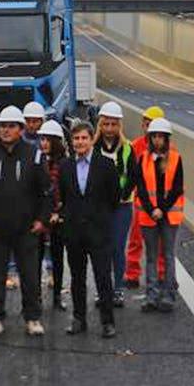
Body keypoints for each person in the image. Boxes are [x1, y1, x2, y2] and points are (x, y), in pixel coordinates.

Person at [0, 105, 51, 337]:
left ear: (21, 128)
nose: (5, 130)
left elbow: (46, 191)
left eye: (11, 126)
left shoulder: (34, 155)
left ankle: (33, 318)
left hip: (26, 229)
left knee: (29, 276)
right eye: (2, 126)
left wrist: (41, 220)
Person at [59, 122, 119, 337]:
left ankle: (107, 321)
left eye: (84, 138)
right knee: (77, 278)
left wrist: (100, 219)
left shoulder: (106, 165)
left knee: (103, 277)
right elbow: (65, 199)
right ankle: (78, 319)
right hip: (74, 233)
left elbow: (114, 198)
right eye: (76, 139)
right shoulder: (65, 166)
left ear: (91, 139)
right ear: (71, 142)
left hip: (99, 231)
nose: (80, 142)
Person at [136, 118, 184, 313]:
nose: (157, 140)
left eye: (160, 137)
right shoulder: (143, 159)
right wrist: (151, 209)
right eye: (154, 136)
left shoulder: (175, 158)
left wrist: (161, 209)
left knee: (169, 255)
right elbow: (141, 188)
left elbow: (176, 188)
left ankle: (168, 296)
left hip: (168, 216)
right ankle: (152, 296)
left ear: (166, 138)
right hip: (150, 216)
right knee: (151, 257)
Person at [95, 101, 138, 308]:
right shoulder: (93, 148)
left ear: (119, 126)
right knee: (100, 248)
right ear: (100, 125)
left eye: (113, 125)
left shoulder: (128, 148)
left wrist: (123, 194)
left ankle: (118, 289)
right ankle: (103, 289)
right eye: (106, 124)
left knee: (117, 248)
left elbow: (133, 176)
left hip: (121, 206)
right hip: (100, 206)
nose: (110, 129)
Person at [125, 106, 166, 289]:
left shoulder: (168, 151)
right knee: (135, 239)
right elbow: (131, 175)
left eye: (151, 125)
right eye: (146, 124)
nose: (148, 128)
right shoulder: (135, 146)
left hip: (160, 204)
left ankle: (162, 274)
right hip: (140, 203)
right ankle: (132, 274)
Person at [37, 120, 67, 311]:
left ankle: (56, 296)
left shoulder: (65, 164)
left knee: (57, 258)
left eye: (48, 139)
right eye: (42, 139)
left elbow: (68, 192)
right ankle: (36, 297)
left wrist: (59, 212)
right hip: (40, 218)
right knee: (35, 258)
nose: (44, 143)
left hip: (59, 219)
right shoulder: (37, 161)